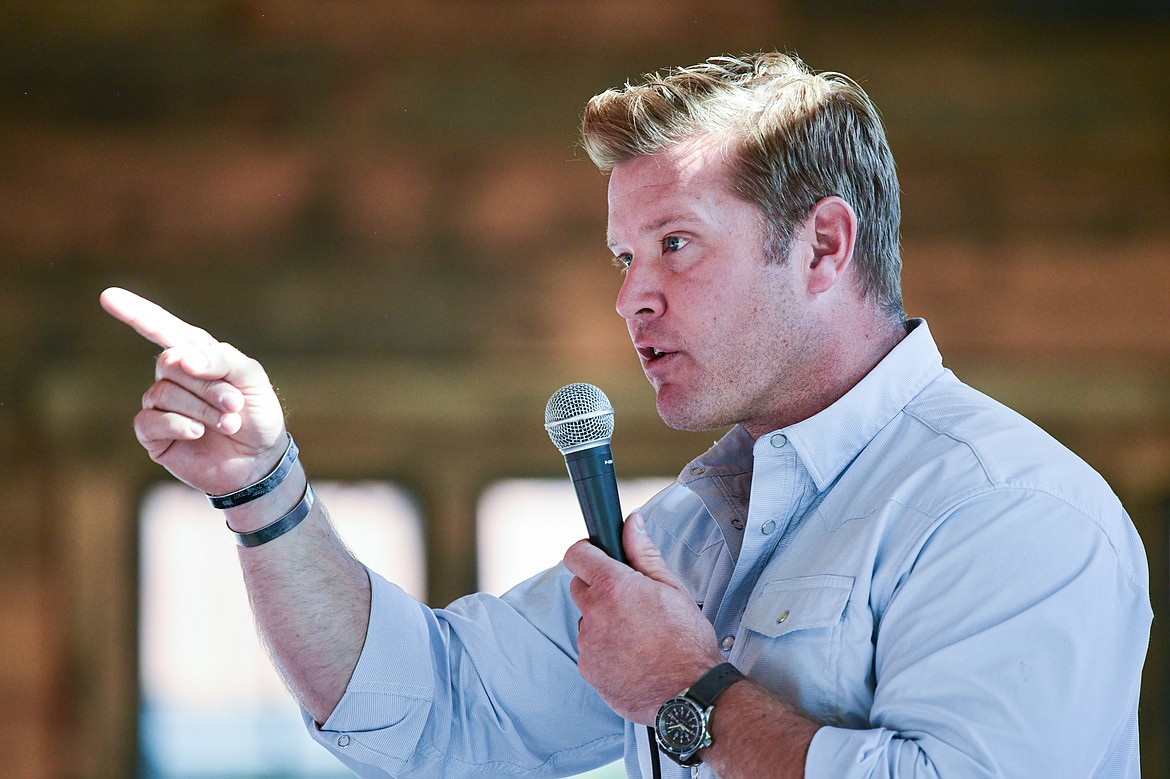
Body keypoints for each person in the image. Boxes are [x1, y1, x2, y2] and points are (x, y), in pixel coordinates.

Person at [102, 52, 1151, 778]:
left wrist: (686, 688)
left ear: (826, 247)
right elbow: (427, 712)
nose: (628, 297)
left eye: (677, 245)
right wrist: (263, 489)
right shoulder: (690, 535)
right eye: (623, 256)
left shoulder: (1011, 511)